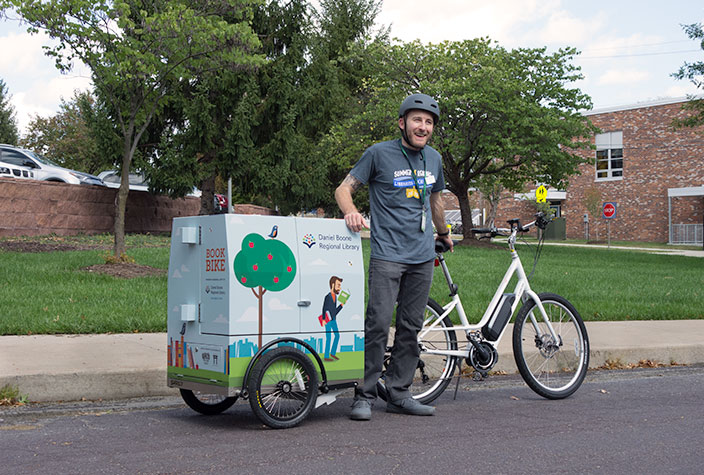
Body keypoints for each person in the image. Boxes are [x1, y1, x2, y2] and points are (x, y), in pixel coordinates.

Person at [335, 93, 453, 421]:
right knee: (377, 323)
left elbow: (436, 199)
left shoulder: (434, 159)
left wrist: (442, 234)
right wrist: (352, 213)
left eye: (429, 122)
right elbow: (343, 189)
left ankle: (399, 393)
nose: (423, 126)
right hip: (387, 253)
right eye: (417, 120)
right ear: (402, 123)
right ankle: (364, 394)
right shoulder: (378, 154)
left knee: (411, 326)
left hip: (421, 254)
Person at [322, 276, 344, 361]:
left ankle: (332, 353)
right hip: (328, 320)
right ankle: (326, 356)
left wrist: (341, 305)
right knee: (329, 337)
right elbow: (324, 308)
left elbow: (334, 311)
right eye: (338, 285)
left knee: (337, 336)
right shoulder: (328, 297)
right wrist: (324, 319)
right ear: (333, 284)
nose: (339, 287)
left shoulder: (335, 297)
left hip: (333, 319)